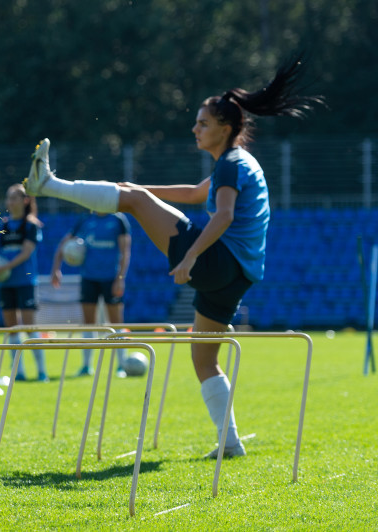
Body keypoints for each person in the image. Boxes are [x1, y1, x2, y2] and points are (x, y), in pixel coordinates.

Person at [22, 55, 323, 458]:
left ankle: (49, 184)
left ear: (226, 128)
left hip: (217, 261)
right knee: (203, 359)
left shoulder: (231, 165)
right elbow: (197, 194)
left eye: (202, 123)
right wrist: (142, 189)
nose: (194, 128)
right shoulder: (238, 162)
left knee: (131, 200)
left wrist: (189, 258)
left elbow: (224, 215)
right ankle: (230, 444)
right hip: (239, 275)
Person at [51, 211, 131, 377]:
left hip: (111, 278)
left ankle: (121, 365)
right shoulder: (85, 219)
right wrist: (56, 268)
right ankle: (87, 366)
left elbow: (125, 251)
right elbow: (64, 243)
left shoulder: (118, 220)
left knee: (116, 323)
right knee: (88, 323)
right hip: (89, 278)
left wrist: (120, 278)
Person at [0, 183, 48, 382]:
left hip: (25, 281)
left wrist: (3, 268)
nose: (10, 202)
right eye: (8, 198)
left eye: (14, 198)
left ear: (25, 201)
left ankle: (41, 371)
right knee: (11, 328)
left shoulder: (31, 225)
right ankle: (18, 372)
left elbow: (26, 252)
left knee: (29, 327)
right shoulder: (2, 226)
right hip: (5, 283)